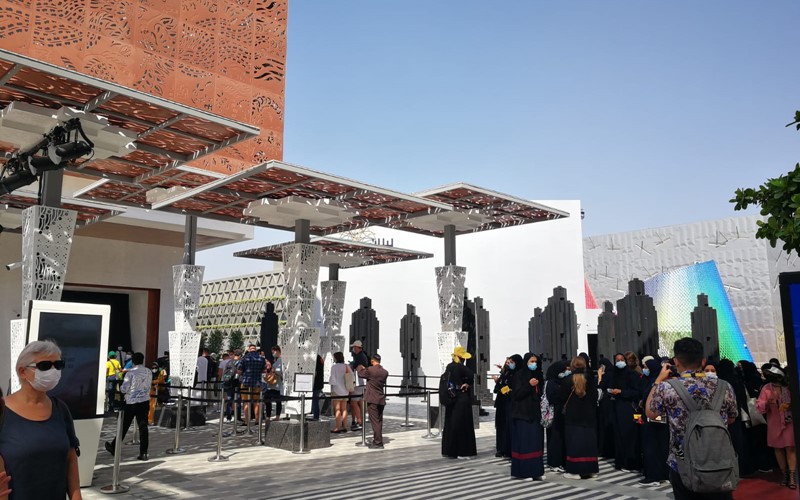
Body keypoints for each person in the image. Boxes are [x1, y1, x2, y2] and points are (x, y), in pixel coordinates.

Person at [647, 337, 738, 500]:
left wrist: (658, 381)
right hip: (719, 461)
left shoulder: (667, 388)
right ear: (703, 361)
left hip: (682, 464)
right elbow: (731, 419)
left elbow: (651, 413)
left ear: (676, 361)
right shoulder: (724, 386)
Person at [0, 340, 81, 499]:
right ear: (22, 371)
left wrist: (76, 496)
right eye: (44, 366)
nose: (53, 371)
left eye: (58, 365)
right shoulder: (2, 411)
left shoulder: (60, 409)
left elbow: (71, 458)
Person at [554, 356, 599, 480]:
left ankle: (575, 471)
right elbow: (595, 397)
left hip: (573, 417)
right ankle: (591, 469)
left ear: (572, 366)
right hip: (589, 416)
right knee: (589, 444)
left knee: (574, 444)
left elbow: (560, 398)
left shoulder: (567, 380)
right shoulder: (590, 379)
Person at [105, 352, 151, 461]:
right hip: (144, 401)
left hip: (131, 402)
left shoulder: (130, 373)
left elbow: (124, 388)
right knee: (143, 426)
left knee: (124, 426)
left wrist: (122, 390)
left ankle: (114, 446)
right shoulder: (148, 371)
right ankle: (143, 452)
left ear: (133, 361)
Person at [757, 366, 796, 489]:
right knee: (778, 448)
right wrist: (767, 403)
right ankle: (784, 474)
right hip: (774, 421)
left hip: (788, 421)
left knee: (790, 447)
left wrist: (790, 405)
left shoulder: (788, 386)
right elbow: (759, 404)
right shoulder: (766, 388)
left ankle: (792, 477)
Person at [604, 352, 642, 472]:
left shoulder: (632, 374)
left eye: (622, 360)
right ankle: (621, 462)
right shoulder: (614, 374)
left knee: (630, 436)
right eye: (617, 360)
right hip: (616, 407)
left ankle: (631, 463)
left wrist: (622, 392)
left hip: (628, 408)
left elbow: (636, 392)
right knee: (618, 435)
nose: (619, 362)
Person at [510, 352, 545, 480]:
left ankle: (536, 472)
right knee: (524, 444)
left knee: (536, 443)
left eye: (535, 361)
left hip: (534, 414)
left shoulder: (538, 375)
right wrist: (529, 385)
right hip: (522, 414)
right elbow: (517, 394)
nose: (534, 364)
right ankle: (524, 472)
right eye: (531, 361)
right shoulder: (519, 375)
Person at [441, 346, 477, 460]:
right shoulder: (461, 368)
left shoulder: (449, 367)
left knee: (451, 424)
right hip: (461, 398)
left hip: (451, 398)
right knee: (462, 425)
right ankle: (463, 451)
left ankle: (450, 450)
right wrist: (467, 383)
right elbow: (471, 375)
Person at [639, 356, 669, 486]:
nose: (644, 370)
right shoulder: (650, 379)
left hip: (653, 418)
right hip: (661, 419)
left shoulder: (656, 382)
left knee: (652, 446)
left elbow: (648, 398)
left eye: (646, 367)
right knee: (660, 446)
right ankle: (663, 474)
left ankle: (653, 476)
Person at [357, 353, 389, 449]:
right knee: (379, 421)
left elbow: (361, 374)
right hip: (381, 398)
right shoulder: (385, 372)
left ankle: (378, 443)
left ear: (372, 361)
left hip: (372, 399)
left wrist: (360, 367)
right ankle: (378, 439)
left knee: (375, 421)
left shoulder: (370, 370)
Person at [493, 354, 522, 459]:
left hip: (511, 404)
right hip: (502, 403)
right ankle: (501, 449)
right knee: (501, 426)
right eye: (508, 363)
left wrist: (509, 390)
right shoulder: (507, 374)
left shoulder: (519, 375)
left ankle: (509, 449)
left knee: (509, 427)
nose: (509, 364)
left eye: (511, 362)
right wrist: (500, 385)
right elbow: (497, 389)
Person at [545, 360, 568, 472]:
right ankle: (554, 462)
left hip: (560, 415)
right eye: (562, 370)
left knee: (560, 438)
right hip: (554, 415)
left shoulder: (561, 381)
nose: (564, 372)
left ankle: (560, 461)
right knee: (554, 439)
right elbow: (552, 398)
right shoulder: (551, 383)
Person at [237, 344, 266, 428]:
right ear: (255, 349)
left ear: (249, 349)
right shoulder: (261, 358)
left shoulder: (244, 358)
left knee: (246, 402)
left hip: (246, 382)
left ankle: (247, 421)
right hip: (257, 383)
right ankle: (257, 420)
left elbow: (239, 371)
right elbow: (264, 371)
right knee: (257, 402)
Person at [596, 356, 616, 459]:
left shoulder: (606, 376)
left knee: (604, 426)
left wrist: (599, 377)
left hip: (605, 404)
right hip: (611, 404)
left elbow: (599, 388)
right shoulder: (613, 374)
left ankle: (603, 450)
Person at [329, 351, 352, 433]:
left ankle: (337, 427)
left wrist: (331, 383)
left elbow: (333, 379)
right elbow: (352, 375)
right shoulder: (346, 366)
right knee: (344, 409)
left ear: (336, 358)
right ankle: (345, 426)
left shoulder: (334, 367)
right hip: (345, 390)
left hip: (336, 390)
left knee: (337, 409)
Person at [349, 340, 369, 431]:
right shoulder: (363, 355)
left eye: (354, 347)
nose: (353, 349)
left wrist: (352, 365)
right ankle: (361, 419)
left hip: (358, 382)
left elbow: (360, 367)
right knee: (360, 402)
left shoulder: (360, 357)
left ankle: (359, 421)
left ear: (357, 347)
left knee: (354, 402)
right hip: (363, 383)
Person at [264, 345, 284, 420]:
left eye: (274, 352)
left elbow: (280, 371)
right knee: (268, 399)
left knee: (277, 400)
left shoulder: (281, 360)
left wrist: (273, 370)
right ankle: (269, 416)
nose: (273, 353)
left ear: (278, 351)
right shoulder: (276, 360)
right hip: (273, 384)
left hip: (277, 384)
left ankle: (276, 416)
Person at [310, 354, 325, 421]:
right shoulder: (320, 359)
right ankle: (315, 415)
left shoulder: (315, 360)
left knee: (315, 400)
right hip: (319, 383)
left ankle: (316, 416)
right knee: (315, 400)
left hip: (315, 384)